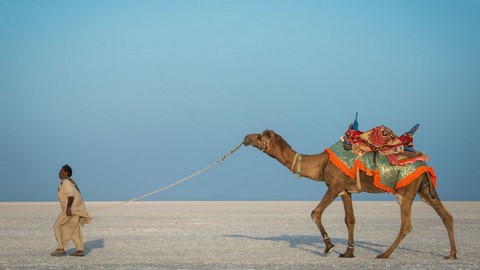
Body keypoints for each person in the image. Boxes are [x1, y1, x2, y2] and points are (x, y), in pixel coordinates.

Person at [51, 164, 92, 257]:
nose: (59, 173)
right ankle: (79, 250)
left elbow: (70, 195)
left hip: (70, 210)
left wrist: (69, 208)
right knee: (75, 230)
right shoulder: (71, 183)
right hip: (75, 209)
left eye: (61, 171)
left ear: (66, 173)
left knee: (56, 226)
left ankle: (60, 248)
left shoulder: (66, 182)